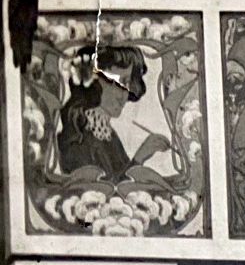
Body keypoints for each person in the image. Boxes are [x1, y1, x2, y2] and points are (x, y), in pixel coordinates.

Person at [56, 44, 170, 180]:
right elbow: (107, 192)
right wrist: (140, 156)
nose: (123, 94)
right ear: (93, 83)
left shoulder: (105, 133)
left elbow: (121, 177)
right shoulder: (77, 137)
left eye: (127, 84)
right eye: (116, 83)